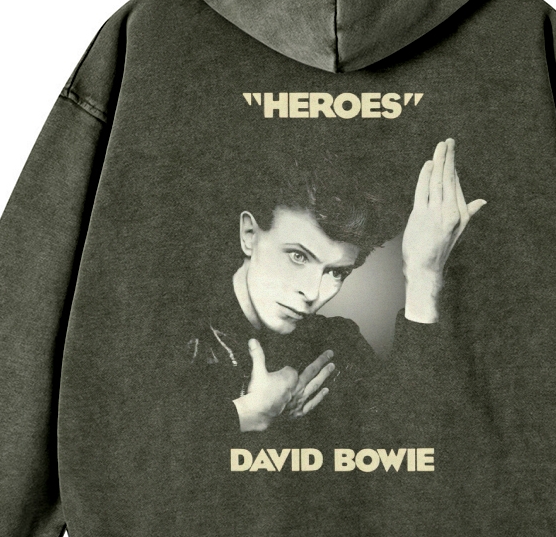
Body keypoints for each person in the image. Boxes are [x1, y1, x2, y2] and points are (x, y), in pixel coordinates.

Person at [178, 137, 486, 448]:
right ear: (249, 235)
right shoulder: (171, 330)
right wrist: (246, 416)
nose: (313, 292)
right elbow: (154, 454)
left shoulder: (337, 348)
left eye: (336, 272)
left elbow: (419, 450)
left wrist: (423, 275)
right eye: (298, 256)